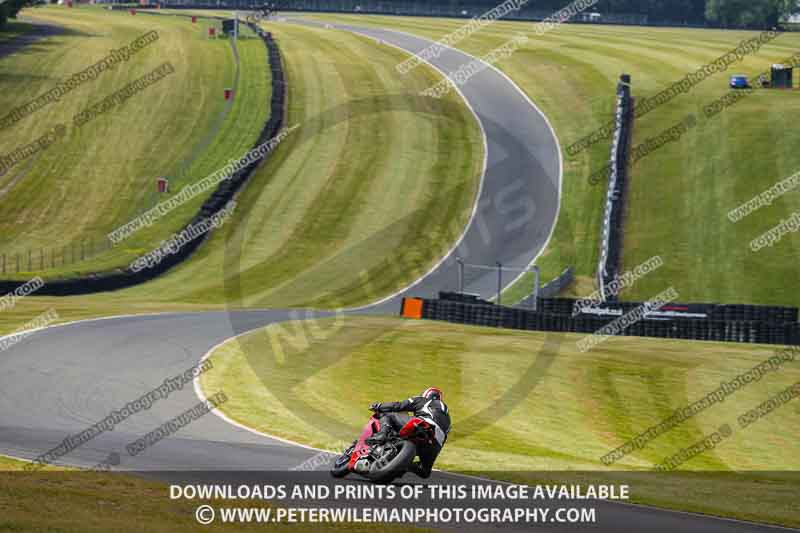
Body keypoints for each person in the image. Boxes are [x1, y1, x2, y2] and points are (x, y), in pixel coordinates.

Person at [366, 387, 451, 478]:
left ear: (427, 395)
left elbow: (399, 406)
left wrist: (378, 406)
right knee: (424, 471)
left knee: (389, 416)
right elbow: (444, 439)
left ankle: (381, 435)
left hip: (423, 423)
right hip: (435, 444)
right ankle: (404, 466)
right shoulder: (448, 419)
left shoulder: (424, 400)